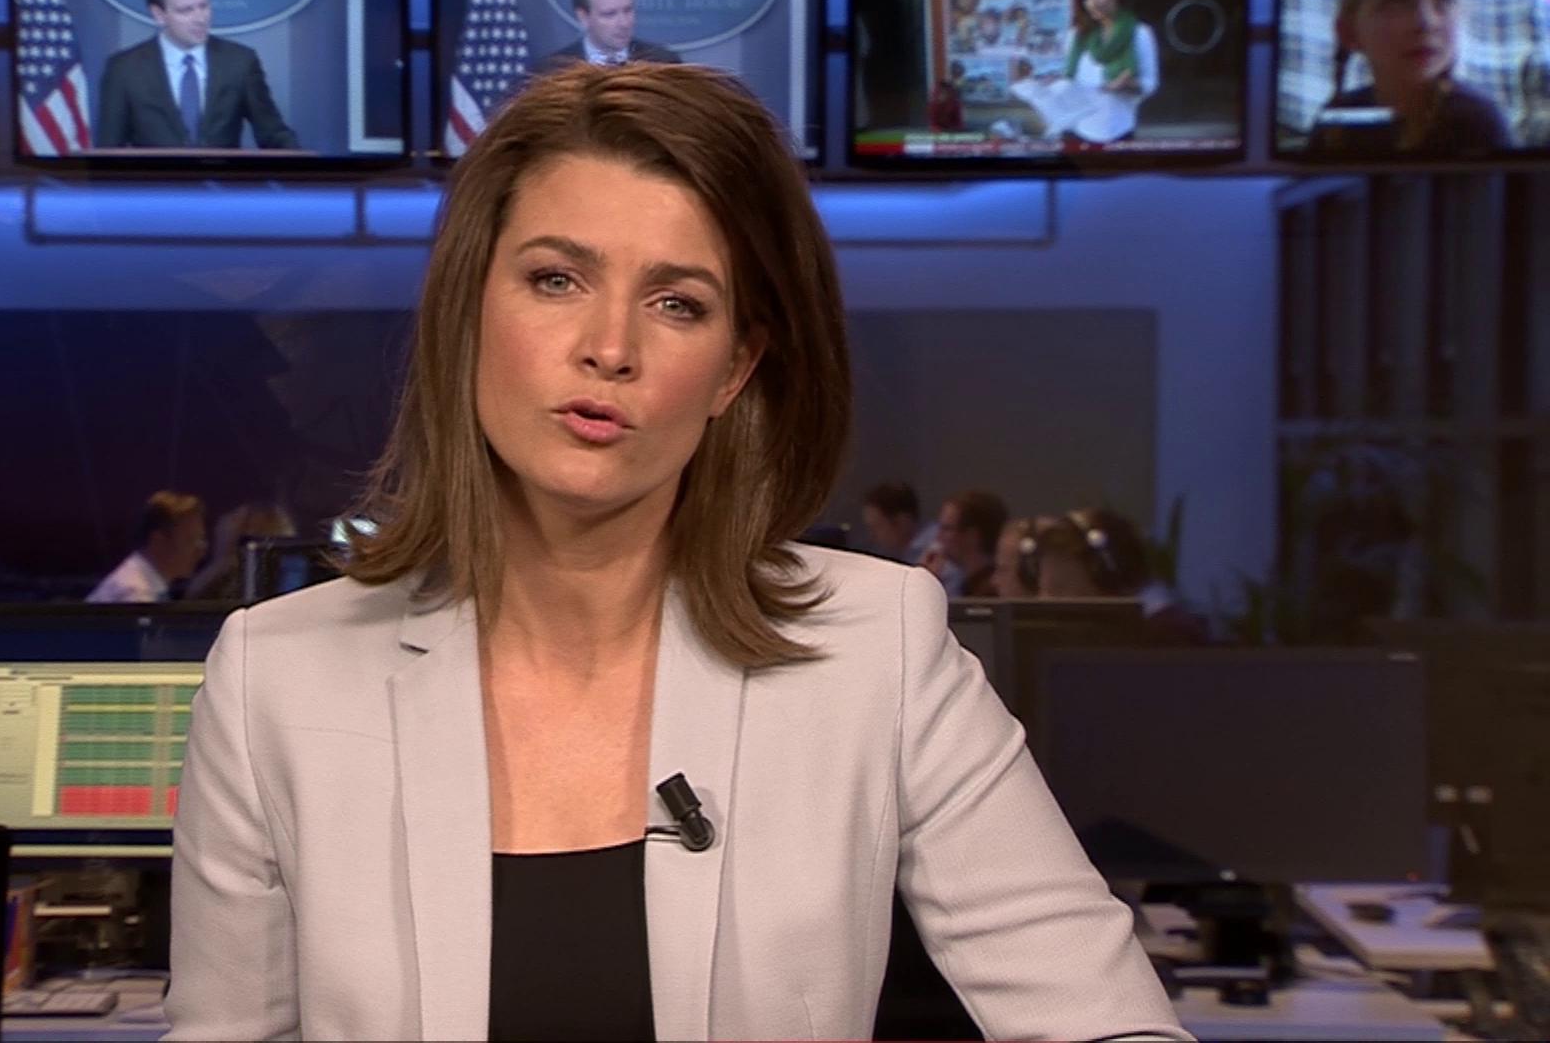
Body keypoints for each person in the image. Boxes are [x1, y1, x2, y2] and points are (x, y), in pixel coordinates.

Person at [164, 62, 1185, 1040]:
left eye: (677, 303)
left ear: (735, 368)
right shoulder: (275, 683)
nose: (610, 348)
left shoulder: (881, 649)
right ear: (470, 308)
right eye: (556, 279)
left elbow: (1107, 1020)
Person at [1306, 0, 1513, 155]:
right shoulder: (1339, 120)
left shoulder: (1478, 121)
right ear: (1349, 33)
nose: (1426, 22)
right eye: (1397, 2)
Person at [96, 0, 299, 149]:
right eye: (186, 11)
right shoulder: (124, 70)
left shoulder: (240, 63)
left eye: (204, 6)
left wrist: (306, 169)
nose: (200, 18)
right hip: (154, 179)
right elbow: (108, 151)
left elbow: (274, 135)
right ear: (159, 15)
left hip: (222, 178)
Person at [1036, 507, 1211, 645]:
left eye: (1057, 589)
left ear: (1107, 578)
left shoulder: (1167, 638)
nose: (1043, 600)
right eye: (1042, 590)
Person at [1059, 0, 1159, 147]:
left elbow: (1150, 83)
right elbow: (1067, 80)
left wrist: (1129, 85)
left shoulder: (1140, 33)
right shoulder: (1077, 35)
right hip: (1076, 131)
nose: (1093, 3)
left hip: (1118, 130)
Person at [532, 0, 682, 74]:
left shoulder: (662, 64)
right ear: (583, 17)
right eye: (610, 14)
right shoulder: (551, 72)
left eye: (628, 10)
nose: (624, 23)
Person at [86, 490, 208, 603]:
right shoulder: (136, 595)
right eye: (190, 540)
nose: (201, 552)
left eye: (200, 540)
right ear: (159, 541)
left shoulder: (142, 583)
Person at [923, 488, 1006, 598]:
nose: (938, 537)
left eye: (947, 529)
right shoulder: (967, 584)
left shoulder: (988, 594)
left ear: (972, 536)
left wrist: (928, 585)